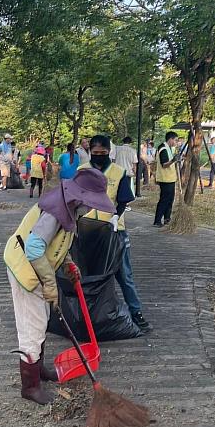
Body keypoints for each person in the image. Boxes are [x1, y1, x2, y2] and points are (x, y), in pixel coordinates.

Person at [3, 168, 114, 404]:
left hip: (36, 268)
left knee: (42, 319)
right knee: (32, 326)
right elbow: (34, 247)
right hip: (24, 269)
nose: (91, 208)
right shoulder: (55, 211)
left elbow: (56, 244)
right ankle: (30, 386)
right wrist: (50, 284)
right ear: (80, 196)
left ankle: (39, 369)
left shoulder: (69, 207)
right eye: (90, 203)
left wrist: (68, 264)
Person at [79, 135, 151, 332]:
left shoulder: (119, 172)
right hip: (87, 231)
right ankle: (86, 315)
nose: (99, 156)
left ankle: (136, 313)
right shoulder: (82, 171)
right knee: (88, 275)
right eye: (95, 153)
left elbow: (123, 200)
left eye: (103, 153)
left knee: (124, 274)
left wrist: (114, 218)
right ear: (90, 152)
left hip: (114, 231)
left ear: (109, 152)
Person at [153, 132, 180, 227]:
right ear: (170, 139)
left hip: (171, 178)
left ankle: (167, 218)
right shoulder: (163, 148)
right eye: (176, 140)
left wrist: (175, 160)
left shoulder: (169, 148)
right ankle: (157, 220)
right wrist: (173, 160)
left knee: (170, 200)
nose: (176, 142)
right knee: (164, 200)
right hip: (165, 179)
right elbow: (164, 164)